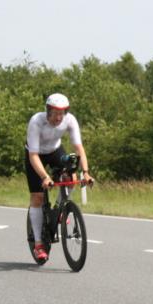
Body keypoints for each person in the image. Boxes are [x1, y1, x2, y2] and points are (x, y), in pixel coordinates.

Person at [25, 94, 95, 262]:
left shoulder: (70, 120)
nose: (58, 118)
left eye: (61, 114)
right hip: (36, 155)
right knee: (37, 197)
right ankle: (39, 244)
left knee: (70, 176)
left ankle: (59, 207)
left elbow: (79, 149)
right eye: (54, 113)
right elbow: (33, 155)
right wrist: (45, 177)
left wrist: (85, 172)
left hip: (55, 151)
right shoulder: (36, 121)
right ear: (47, 111)